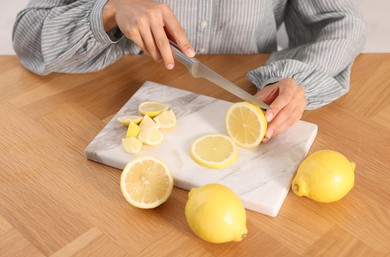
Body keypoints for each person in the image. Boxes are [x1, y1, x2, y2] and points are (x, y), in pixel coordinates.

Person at [12, 0, 366, 142]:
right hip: (118, 106)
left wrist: (299, 76)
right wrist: (110, 9)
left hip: (249, 98)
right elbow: (29, 38)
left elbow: (341, 21)